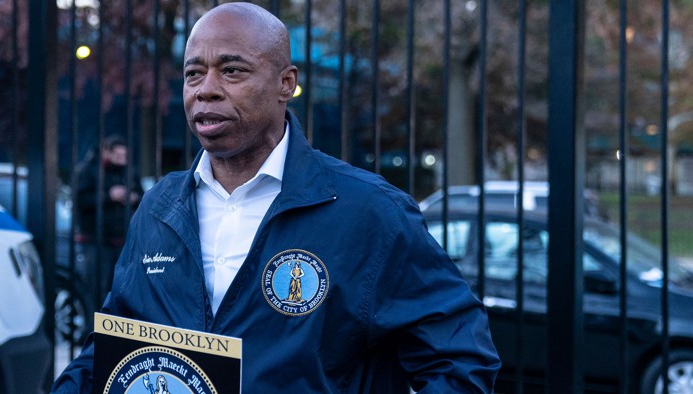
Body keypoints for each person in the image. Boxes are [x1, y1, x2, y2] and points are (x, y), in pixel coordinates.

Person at [53, 3, 500, 393]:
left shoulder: (370, 212)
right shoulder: (158, 207)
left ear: (286, 83)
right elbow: (112, 352)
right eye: (193, 73)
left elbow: (461, 359)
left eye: (232, 70)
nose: (205, 88)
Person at [73, 135, 140, 296]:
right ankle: (93, 320)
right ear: (106, 152)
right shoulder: (87, 170)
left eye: (124, 156)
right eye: (117, 156)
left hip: (122, 240)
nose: (121, 160)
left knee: (121, 287)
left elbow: (142, 195)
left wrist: (134, 197)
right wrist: (109, 196)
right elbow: (80, 200)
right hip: (95, 240)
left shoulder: (128, 171)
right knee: (96, 287)